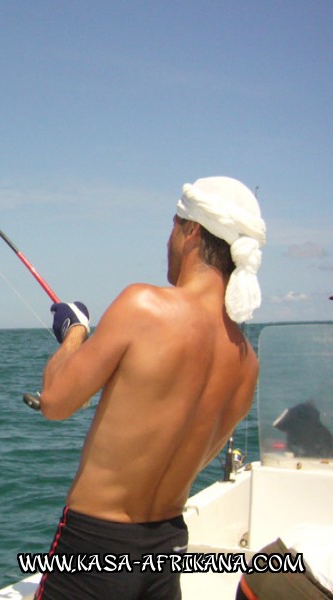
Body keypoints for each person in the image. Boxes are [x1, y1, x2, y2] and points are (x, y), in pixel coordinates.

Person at [34, 176, 266, 600]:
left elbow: (54, 402)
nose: (169, 240)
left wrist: (74, 332)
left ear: (190, 231)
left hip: (95, 550)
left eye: (173, 226)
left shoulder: (144, 305)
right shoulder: (247, 363)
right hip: (165, 552)